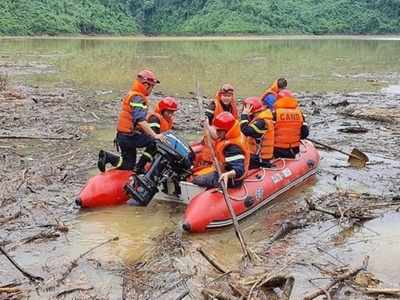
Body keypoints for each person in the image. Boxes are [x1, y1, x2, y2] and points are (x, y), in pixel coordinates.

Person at [97, 69, 166, 172]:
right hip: (129, 136)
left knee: (128, 165)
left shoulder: (133, 94)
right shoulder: (138, 98)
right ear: (146, 85)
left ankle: (107, 157)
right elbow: (140, 120)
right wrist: (155, 135)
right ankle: (141, 167)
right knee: (155, 142)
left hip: (123, 136)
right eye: (152, 87)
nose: (152, 90)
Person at [192, 112, 249, 189]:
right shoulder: (233, 134)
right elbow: (216, 136)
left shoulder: (232, 147)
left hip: (229, 179)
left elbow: (239, 170)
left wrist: (227, 175)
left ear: (226, 130)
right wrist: (207, 125)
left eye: (219, 131)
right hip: (222, 170)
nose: (216, 132)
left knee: (195, 180)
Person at [135, 97, 178, 174]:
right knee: (154, 144)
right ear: (163, 110)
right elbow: (155, 134)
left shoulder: (167, 120)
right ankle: (140, 166)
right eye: (169, 112)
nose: (171, 115)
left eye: (172, 112)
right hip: (145, 140)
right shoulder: (154, 118)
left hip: (159, 142)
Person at [273, 89, 309, 158]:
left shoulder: (275, 114)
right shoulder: (300, 114)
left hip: (277, 150)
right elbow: (305, 134)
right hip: (294, 149)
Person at [240, 97, 274, 169]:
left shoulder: (262, 122)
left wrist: (244, 115)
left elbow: (245, 131)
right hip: (256, 156)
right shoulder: (261, 118)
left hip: (259, 159)